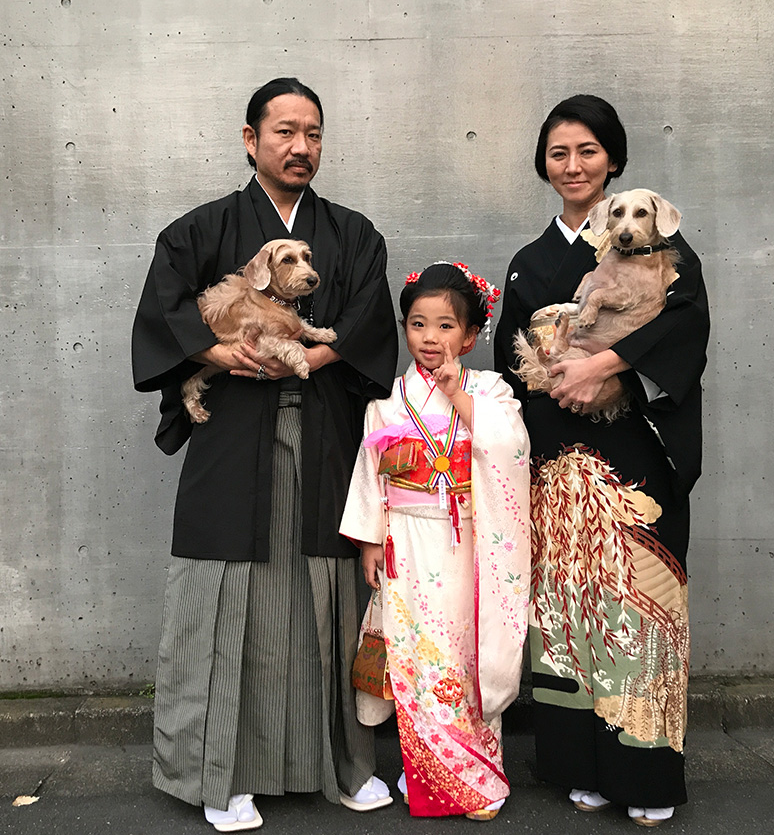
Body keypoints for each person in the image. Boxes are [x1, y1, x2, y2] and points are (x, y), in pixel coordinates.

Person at [131, 77, 399, 832]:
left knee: (328, 597)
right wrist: (220, 353)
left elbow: (366, 319)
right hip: (232, 434)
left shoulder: (352, 234)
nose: (299, 146)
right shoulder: (202, 228)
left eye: (312, 133)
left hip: (323, 430)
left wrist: (309, 359)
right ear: (251, 140)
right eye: (284, 131)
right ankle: (221, 778)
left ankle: (344, 767)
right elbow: (165, 311)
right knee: (223, 601)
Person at [492, 95, 710, 828]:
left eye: (588, 150)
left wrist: (606, 367)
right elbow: (510, 365)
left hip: (634, 457)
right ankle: (573, 764)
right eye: (559, 153)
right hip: (557, 462)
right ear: (544, 165)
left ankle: (644, 770)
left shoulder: (661, 250)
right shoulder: (529, 263)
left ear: (613, 159)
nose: (574, 165)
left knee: (636, 608)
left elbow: (686, 331)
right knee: (566, 612)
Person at [339, 262, 531, 822]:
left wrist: (457, 395)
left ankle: (478, 778)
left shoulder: (487, 389)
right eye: (418, 324)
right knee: (416, 654)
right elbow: (370, 472)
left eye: (446, 326)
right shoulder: (389, 398)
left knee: (468, 654)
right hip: (408, 540)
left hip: (471, 542)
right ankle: (427, 769)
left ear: (470, 336)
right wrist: (370, 540)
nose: (430, 337)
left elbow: (512, 448)